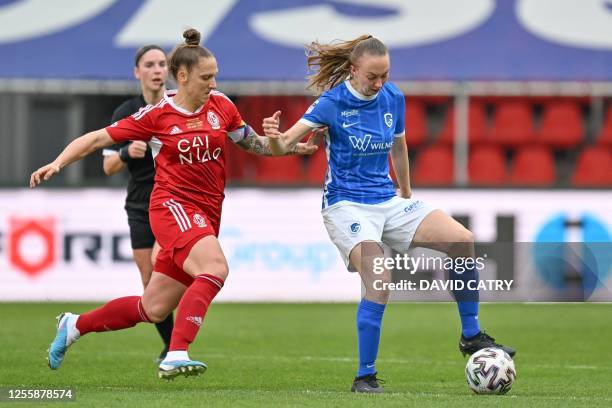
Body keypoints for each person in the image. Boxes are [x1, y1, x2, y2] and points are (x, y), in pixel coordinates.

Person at [30, 28, 320, 381]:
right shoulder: (157, 115)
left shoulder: (222, 106)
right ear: (182, 76)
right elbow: (97, 139)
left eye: (215, 76)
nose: (213, 83)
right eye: (206, 77)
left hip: (207, 212)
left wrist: (287, 146)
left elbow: (253, 145)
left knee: (151, 308)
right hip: (172, 207)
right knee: (214, 268)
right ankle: (177, 352)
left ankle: (75, 324)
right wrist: (58, 163)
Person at [262, 34, 516, 393]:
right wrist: (274, 137)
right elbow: (284, 144)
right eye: (372, 76)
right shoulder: (332, 103)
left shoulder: (393, 97)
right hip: (345, 204)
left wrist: (407, 192)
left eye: (385, 75)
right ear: (354, 70)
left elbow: (398, 145)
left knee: (463, 240)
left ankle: (471, 336)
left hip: (388, 200)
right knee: (380, 279)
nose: (379, 83)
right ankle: (364, 376)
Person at [102, 44, 173, 363]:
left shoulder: (178, 106)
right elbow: (107, 167)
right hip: (139, 203)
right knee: (149, 283)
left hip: (174, 199)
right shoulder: (125, 112)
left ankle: (179, 341)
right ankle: (172, 346)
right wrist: (124, 152)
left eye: (162, 64)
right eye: (150, 64)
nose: (157, 70)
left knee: (163, 264)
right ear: (137, 72)